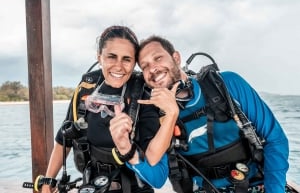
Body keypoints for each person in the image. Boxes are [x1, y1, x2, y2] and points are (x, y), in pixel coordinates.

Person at [137, 35, 289, 193]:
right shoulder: (154, 114)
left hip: (255, 184)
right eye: (145, 66)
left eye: (158, 58)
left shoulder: (228, 83)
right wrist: (127, 150)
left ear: (176, 58)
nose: (152, 68)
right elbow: (157, 178)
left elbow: (275, 139)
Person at [41, 26, 171, 193]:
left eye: (126, 59)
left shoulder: (143, 97)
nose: (119, 66)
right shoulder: (86, 88)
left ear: (134, 63)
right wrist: (48, 180)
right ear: (99, 57)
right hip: (92, 184)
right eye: (111, 57)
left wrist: (126, 147)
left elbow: (157, 177)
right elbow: (64, 138)